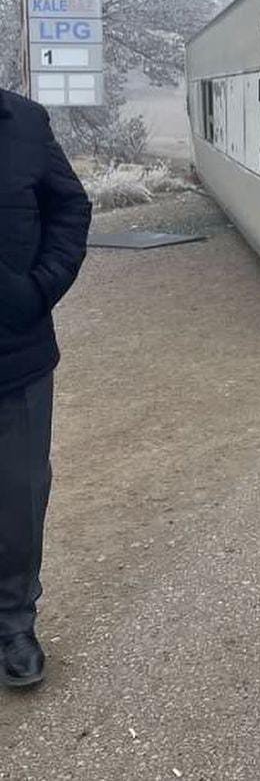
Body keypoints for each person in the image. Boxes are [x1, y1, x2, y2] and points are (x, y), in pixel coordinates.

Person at [0, 87, 91, 689]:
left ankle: (13, 622)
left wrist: (38, 290)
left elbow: (70, 208)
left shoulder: (25, 122)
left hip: (18, 355)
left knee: (19, 495)